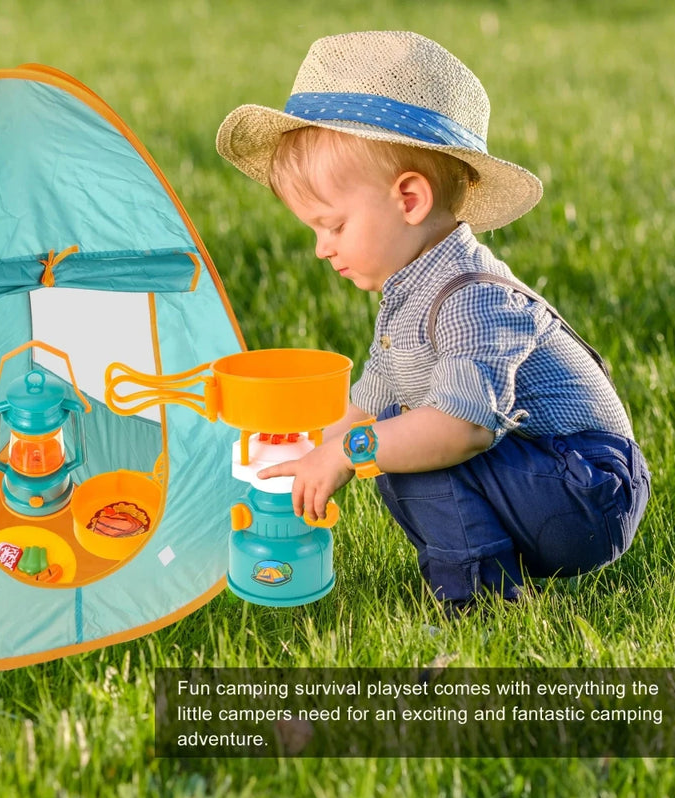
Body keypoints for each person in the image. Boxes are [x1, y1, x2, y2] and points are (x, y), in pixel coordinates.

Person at [216, 31, 650, 612]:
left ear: (410, 200)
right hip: (546, 476)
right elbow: (369, 402)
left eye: (334, 225)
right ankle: (487, 571)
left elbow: (460, 430)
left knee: (403, 443)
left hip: (589, 491)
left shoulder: (471, 297)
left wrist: (348, 451)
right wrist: (306, 449)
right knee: (385, 436)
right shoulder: (408, 294)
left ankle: (478, 602)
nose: (322, 248)